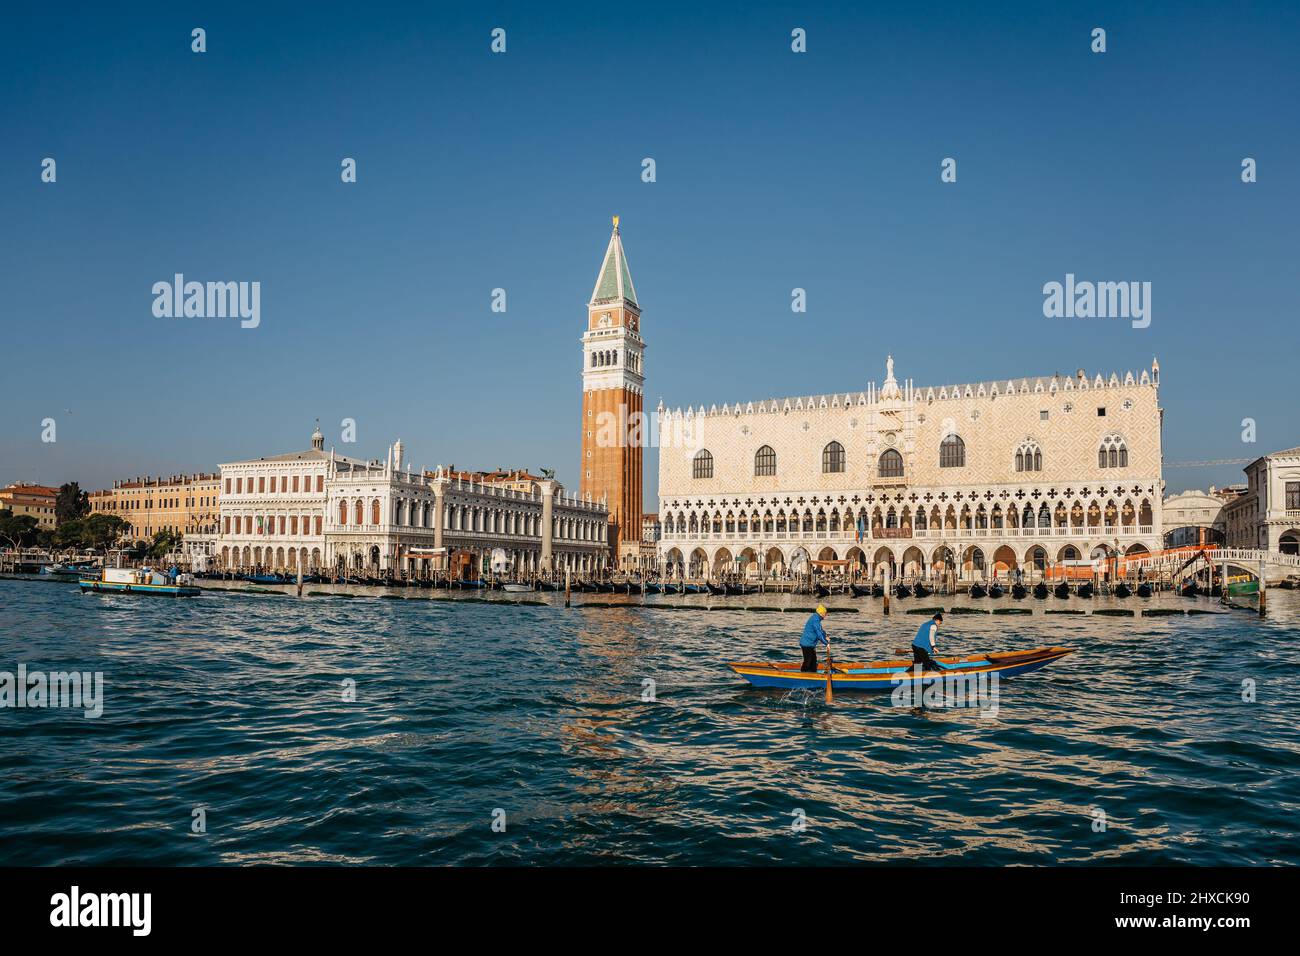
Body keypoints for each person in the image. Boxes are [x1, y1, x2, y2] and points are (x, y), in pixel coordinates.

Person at [800, 605, 830, 672]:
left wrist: (825, 636)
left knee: (813, 663)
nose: (825, 616)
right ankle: (802, 675)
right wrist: (826, 644)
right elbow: (819, 634)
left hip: (811, 644)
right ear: (821, 613)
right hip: (807, 644)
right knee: (808, 662)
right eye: (825, 614)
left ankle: (813, 675)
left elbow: (821, 630)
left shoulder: (816, 618)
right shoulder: (815, 620)